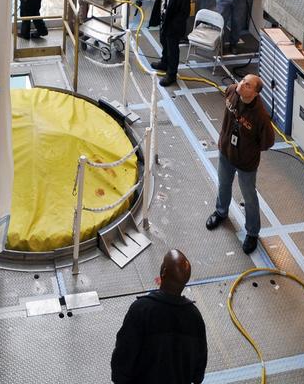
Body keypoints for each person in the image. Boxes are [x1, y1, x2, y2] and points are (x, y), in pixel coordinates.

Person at [110, 249, 207, 384]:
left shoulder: (141, 310)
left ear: (164, 272)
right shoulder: (195, 318)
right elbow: (198, 372)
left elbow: (123, 360)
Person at [206, 73, 275, 254]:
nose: (242, 84)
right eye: (243, 80)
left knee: (249, 197)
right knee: (223, 184)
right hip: (226, 152)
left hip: (246, 162)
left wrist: (248, 149)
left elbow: (268, 141)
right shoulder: (231, 91)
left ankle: (252, 233)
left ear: (255, 93)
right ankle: (221, 212)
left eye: (248, 85)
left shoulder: (260, 116)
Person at [148, 0, 191, 87]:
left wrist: (174, 25)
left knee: (172, 50)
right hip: (164, 22)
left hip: (173, 26)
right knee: (164, 43)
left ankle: (171, 74)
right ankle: (164, 63)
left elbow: (184, 12)